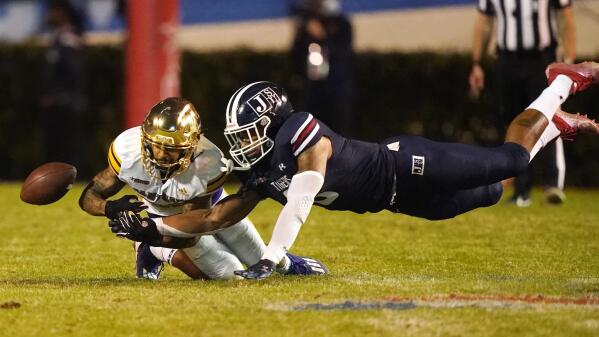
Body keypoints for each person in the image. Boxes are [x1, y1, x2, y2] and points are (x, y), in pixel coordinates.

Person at [110, 62, 599, 280]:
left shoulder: (300, 129)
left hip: (407, 166)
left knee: (511, 159)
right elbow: (216, 219)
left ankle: (558, 86)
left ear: (272, 120)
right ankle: (552, 128)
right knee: (493, 191)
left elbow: (306, 187)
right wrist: (152, 229)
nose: (241, 144)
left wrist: (277, 252)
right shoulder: (260, 168)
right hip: (396, 200)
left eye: (249, 131)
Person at [80, 97, 328, 280]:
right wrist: (109, 207)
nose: (163, 156)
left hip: (206, 211)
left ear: (192, 146)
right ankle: (154, 252)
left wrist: (153, 233)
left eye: (172, 149)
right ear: (144, 140)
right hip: (161, 215)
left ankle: (287, 263)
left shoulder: (209, 163)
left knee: (257, 258)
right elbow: (88, 197)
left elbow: (196, 229)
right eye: (157, 146)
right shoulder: (126, 151)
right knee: (231, 275)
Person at [469, 0, 576, 206]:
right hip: (507, 60)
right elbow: (484, 21)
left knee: (549, 115)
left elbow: (566, 17)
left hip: (542, 58)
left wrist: (569, 58)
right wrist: (476, 63)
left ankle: (553, 183)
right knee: (513, 122)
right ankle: (521, 190)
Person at [290, 0, 354, 136]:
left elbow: (343, 53)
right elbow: (296, 56)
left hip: (337, 89)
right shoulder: (306, 25)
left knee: (338, 133)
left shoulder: (341, 23)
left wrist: (322, 36)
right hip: (313, 89)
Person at [40, 0, 87, 169]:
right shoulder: (58, 37)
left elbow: (73, 71)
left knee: (65, 146)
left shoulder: (69, 39)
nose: (49, 15)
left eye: (53, 11)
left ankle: (66, 178)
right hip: (58, 101)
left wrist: (58, 95)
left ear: (63, 13)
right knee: (54, 146)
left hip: (66, 102)